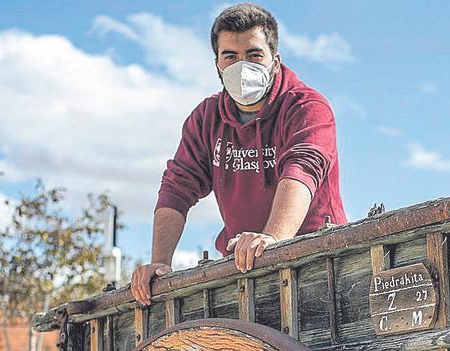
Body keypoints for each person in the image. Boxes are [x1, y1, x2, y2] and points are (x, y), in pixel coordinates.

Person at [130, 3, 347, 306]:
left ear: (275, 60)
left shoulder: (307, 107)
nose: (241, 66)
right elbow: (177, 188)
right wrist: (159, 263)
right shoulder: (206, 119)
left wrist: (273, 239)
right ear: (217, 65)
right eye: (230, 56)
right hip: (243, 270)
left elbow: (302, 168)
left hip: (317, 261)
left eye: (254, 55)